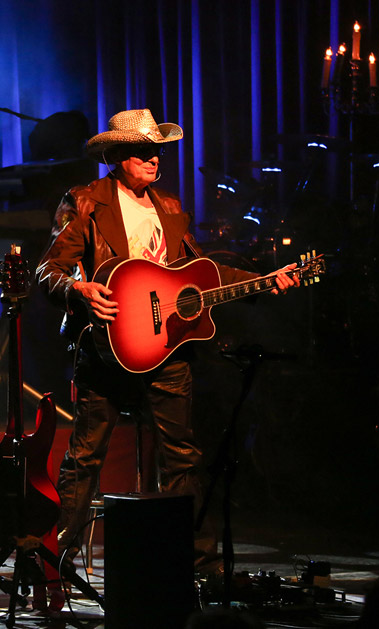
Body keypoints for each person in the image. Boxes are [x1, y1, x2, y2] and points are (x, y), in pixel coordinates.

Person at [34, 108, 300, 576]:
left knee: (182, 455)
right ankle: (57, 561)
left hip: (167, 348)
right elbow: (47, 269)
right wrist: (78, 289)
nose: (154, 158)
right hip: (108, 345)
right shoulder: (86, 201)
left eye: (157, 150)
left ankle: (198, 562)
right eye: (142, 150)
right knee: (85, 457)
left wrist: (264, 280)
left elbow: (203, 273)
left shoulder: (171, 207)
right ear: (117, 155)